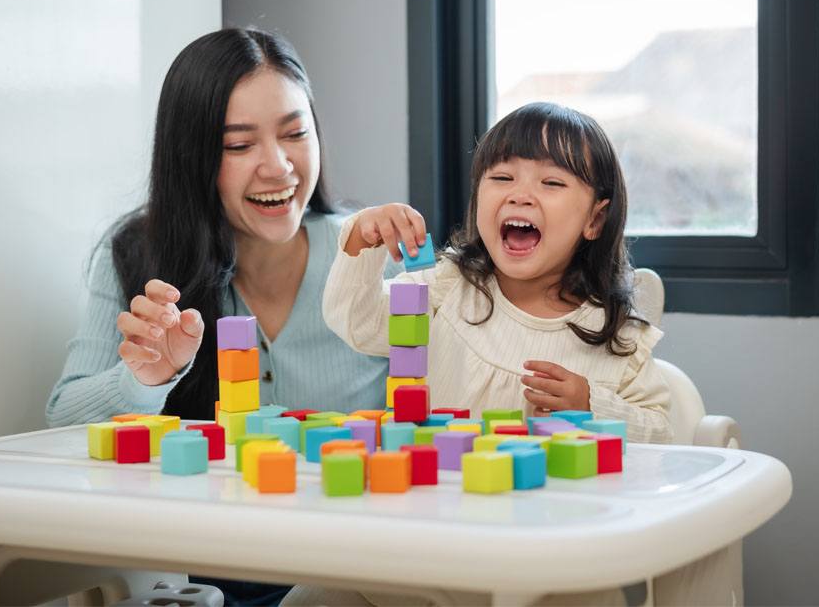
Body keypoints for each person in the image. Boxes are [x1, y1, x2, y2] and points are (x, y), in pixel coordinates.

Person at [46, 27, 395, 606]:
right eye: (239, 146)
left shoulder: (371, 257)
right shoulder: (136, 255)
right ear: (194, 158)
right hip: (197, 575)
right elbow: (63, 419)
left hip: (351, 568)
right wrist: (145, 379)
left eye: (295, 133)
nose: (278, 167)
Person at [282, 102, 673, 607]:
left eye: (551, 184)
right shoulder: (449, 287)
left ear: (595, 219)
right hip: (425, 539)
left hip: (551, 556)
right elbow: (359, 325)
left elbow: (663, 437)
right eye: (502, 176)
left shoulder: (617, 335)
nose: (521, 194)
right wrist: (361, 241)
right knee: (311, 595)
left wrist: (591, 404)